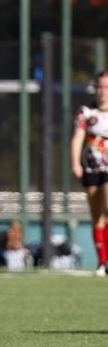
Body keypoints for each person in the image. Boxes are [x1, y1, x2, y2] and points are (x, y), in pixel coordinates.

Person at [70, 71, 108, 276]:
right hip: (92, 168)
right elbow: (77, 138)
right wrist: (75, 163)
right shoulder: (86, 112)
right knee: (96, 215)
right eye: (100, 86)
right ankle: (103, 262)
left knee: (107, 207)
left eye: (106, 87)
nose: (103, 91)